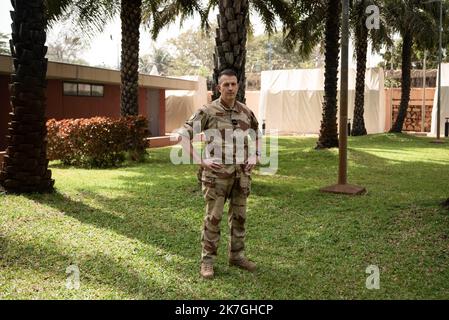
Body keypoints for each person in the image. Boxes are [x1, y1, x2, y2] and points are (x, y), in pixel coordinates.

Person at [176, 69, 261, 279]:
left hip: (241, 176)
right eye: (226, 85)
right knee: (213, 219)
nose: (230, 88)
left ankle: (237, 256)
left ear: (238, 86)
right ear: (218, 87)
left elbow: (257, 134)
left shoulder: (246, 111)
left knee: (240, 218)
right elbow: (183, 136)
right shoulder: (207, 111)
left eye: (233, 84)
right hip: (217, 177)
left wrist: (255, 155)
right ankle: (207, 262)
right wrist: (201, 161)